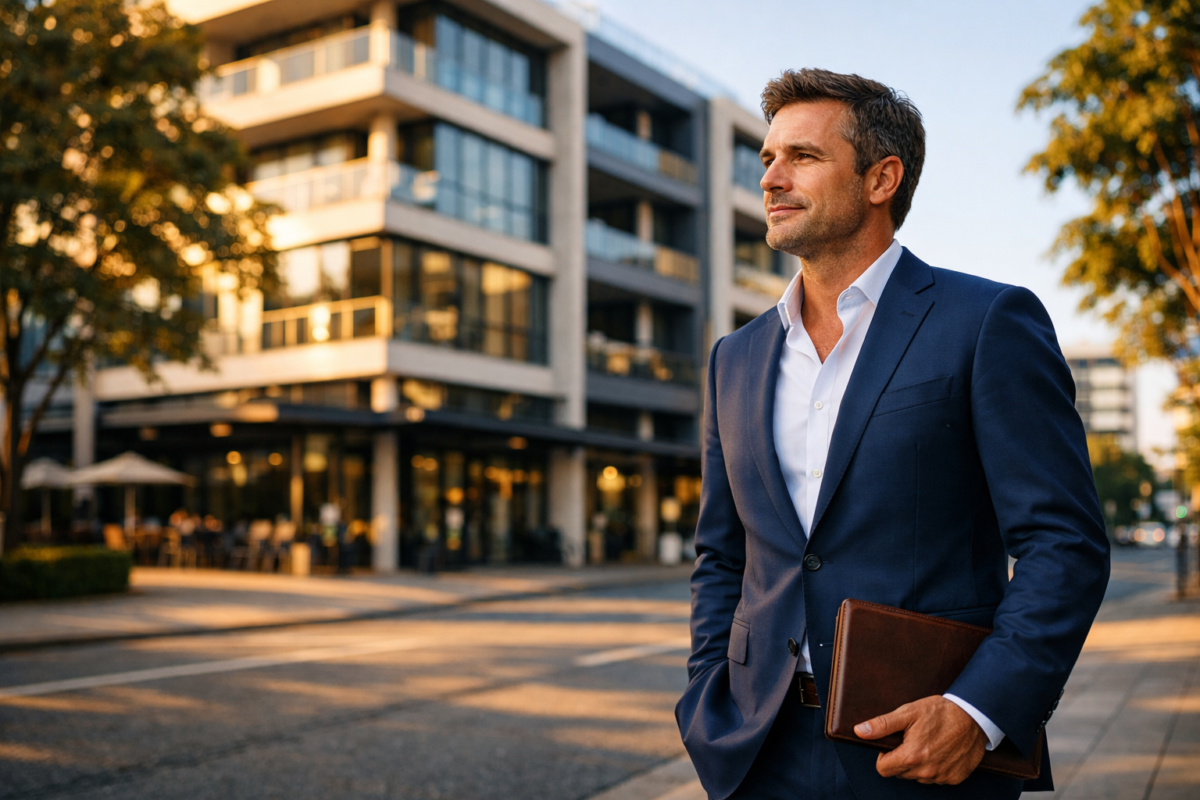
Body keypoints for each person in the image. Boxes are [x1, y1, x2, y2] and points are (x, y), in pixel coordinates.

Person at [675, 69, 1110, 800]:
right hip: (757, 751)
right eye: (767, 158)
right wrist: (706, 697)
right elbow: (724, 554)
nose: (772, 178)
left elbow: (1063, 544)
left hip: (923, 750)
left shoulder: (986, 323)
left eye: (803, 157)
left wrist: (978, 713)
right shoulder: (735, 357)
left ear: (882, 178)